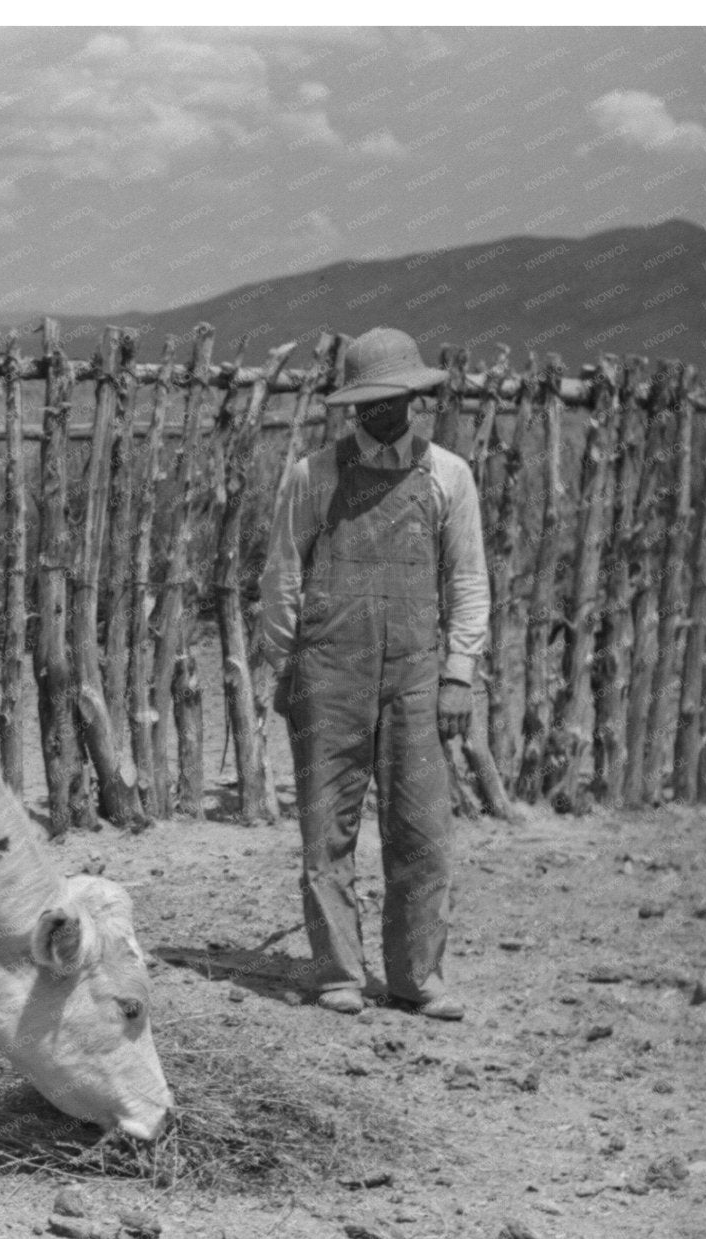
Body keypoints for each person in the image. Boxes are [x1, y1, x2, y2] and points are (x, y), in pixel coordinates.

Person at [257, 326, 488, 1021]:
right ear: (353, 405)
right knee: (326, 829)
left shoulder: (448, 475)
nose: (383, 411)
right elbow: (282, 576)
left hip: (416, 676)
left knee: (422, 830)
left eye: (396, 398)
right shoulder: (314, 475)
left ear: (416, 398)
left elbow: (468, 579)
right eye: (370, 401)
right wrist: (287, 666)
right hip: (328, 673)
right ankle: (339, 973)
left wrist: (458, 673)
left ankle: (419, 978)